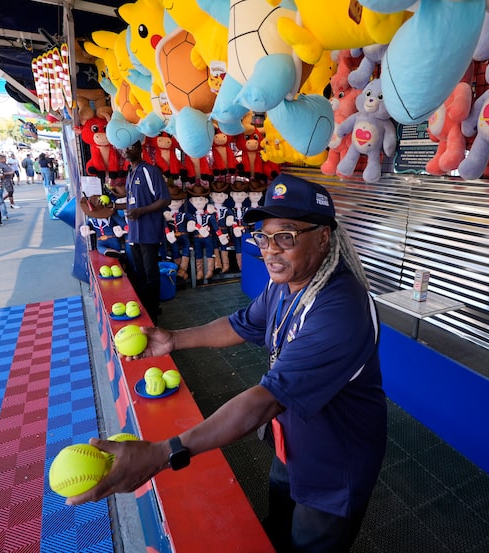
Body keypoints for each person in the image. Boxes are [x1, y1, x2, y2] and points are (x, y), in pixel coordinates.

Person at [68, 175, 386, 553]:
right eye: (264, 237)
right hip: (294, 439)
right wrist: (175, 339)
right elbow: (243, 325)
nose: (270, 250)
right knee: (278, 525)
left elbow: (267, 399)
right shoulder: (285, 284)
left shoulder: (340, 310)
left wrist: (162, 453)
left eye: (286, 236)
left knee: (308, 544)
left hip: (335, 460)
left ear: (322, 237)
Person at [121, 141, 170, 323]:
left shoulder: (150, 171)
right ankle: (146, 308)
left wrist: (141, 211)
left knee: (151, 274)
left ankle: (153, 312)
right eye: (124, 147)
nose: (126, 150)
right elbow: (131, 202)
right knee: (139, 273)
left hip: (148, 231)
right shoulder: (130, 173)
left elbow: (164, 200)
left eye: (130, 147)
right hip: (134, 233)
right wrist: (111, 206)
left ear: (140, 149)